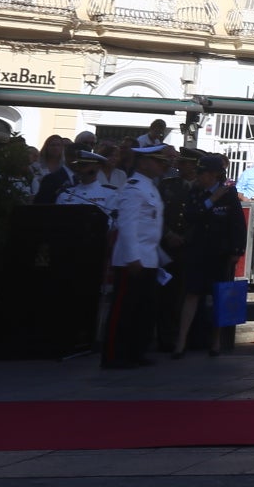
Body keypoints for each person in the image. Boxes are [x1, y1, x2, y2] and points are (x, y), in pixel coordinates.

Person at [103, 143, 173, 369]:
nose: (163, 165)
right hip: (132, 259)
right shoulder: (134, 187)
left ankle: (135, 351)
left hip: (148, 257)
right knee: (124, 309)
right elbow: (128, 224)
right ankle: (115, 354)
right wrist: (133, 257)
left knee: (143, 310)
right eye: (158, 161)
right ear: (143, 163)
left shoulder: (149, 187)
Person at [172, 155, 245, 358]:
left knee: (219, 295)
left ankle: (216, 342)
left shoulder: (229, 194)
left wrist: (236, 250)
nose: (199, 177)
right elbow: (191, 215)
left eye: (203, 173)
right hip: (197, 250)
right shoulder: (196, 191)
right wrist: (211, 199)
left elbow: (237, 223)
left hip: (219, 252)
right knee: (192, 293)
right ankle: (181, 342)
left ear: (213, 175)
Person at [58, 149, 120, 221]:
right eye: (77, 165)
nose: (79, 169)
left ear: (97, 167)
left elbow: (112, 222)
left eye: (84, 165)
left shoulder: (109, 194)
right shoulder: (66, 194)